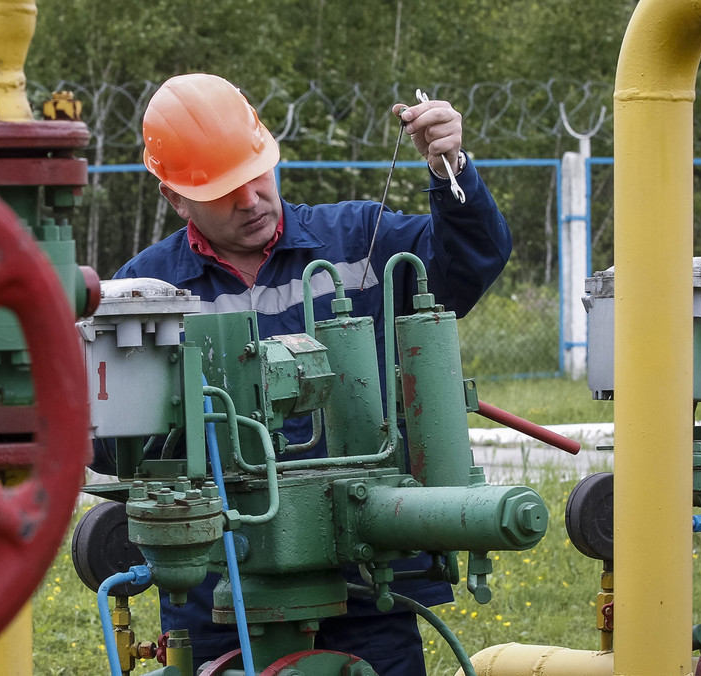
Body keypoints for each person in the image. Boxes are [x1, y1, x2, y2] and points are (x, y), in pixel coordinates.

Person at [108, 73, 512, 674]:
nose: (250, 201)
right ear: (175, 197)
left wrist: (449, 168)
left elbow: (469, 262)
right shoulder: (149, 293)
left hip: (365, 573)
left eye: (256, 177)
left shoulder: (358, 243)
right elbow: (113, 443)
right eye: (223, 192)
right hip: (221, 589)